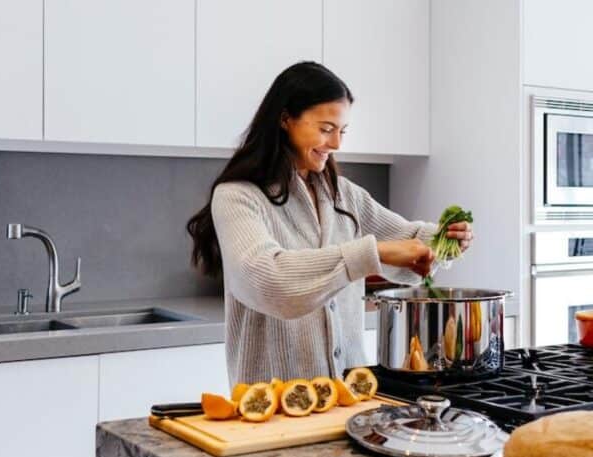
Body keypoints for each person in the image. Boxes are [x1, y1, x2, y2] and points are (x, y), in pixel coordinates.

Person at [187, 62, 472, 384]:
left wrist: (446, 239)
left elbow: (407, 240)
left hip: (350, 393)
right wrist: (372, 253)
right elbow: (268, 281)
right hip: (273, 401)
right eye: (325, 129)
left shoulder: (344, 195)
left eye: (342, 131)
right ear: (285, 120)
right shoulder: (238, 196)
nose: (336, 143)